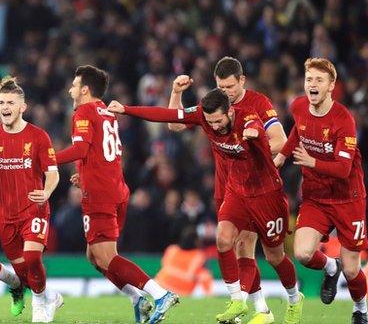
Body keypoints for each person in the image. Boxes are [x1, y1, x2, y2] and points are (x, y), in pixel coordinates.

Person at [108, 89, 303, 324]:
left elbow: (269, 140)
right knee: (224, 240)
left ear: (230, 111)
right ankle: (237, 302)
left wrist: (257, 136)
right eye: (210, 122)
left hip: (267, 195)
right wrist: (127, 110)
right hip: (237, 191)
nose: (215, 126)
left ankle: (294, 299)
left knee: (275, 257)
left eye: (219, 120)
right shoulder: (205, 116)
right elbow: (168, 115)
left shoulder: (249, 120)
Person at [56, 65, 178, 324]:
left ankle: (160, 294)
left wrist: (45, 159)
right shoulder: (107, 112)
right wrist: (84, 173)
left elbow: (79, 149)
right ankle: (137, 299)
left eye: (75, 85)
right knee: (94, 256)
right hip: (116, 189)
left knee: (106, 257)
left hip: (101, 195)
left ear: (85, 90)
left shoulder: (84, 111)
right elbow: (99, 151)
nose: (70, 89)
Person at [167, 57, 287, 315]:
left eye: (231, 87)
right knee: (230, 244)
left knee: (245, 245)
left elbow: (280, 139)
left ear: (242, 80)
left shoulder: (259, 103)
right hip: (225, 186)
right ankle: (260, 309)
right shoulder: (214, 105)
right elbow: (174, 123)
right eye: (221, 87)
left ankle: (252, 307)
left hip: (253, 185)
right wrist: (176, 93)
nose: (227, 92)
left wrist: (251, 146)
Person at [274, 58, 367, 324]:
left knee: (352, 269)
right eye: (309, 79)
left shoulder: (343, 120)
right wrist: (282, 156)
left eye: (319, 80)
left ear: (331, 86)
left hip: (348, 197)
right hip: (316, 196)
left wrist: (311, 161)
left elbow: (343, 168)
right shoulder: (298, 106)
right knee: (302, 253)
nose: (312, 85)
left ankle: (360, 308)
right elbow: (297, 132)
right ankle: (329, 265)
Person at [0, 76, 62, 322]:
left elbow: (53, 173)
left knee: (33, 258)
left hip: (34, 209)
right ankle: (51, 297)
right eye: (1, 102)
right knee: (24, 272)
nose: (5, 107)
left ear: (22, 107)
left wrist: (46, 193)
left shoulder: (38, 137)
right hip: (5, 215)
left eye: (10, 103)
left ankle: (39, 309)